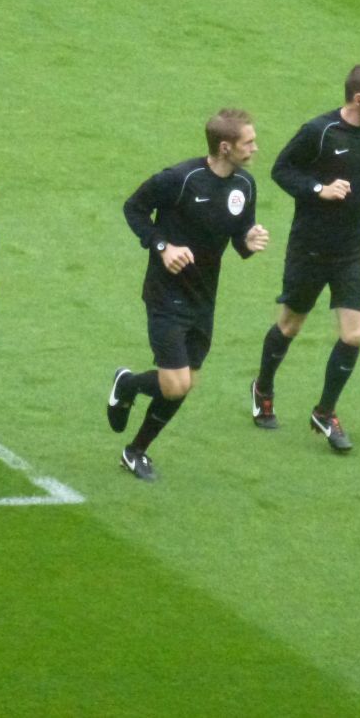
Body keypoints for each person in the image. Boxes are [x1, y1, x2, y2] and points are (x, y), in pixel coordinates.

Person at [107, 109, 269, 481]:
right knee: (175, 383)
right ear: (225, 147)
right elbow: (134, 209)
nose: (256, 148)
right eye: (249, 142)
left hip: (204, 296)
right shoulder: (180, 179)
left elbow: (238, 235)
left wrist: (249, 241)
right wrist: (163, 246)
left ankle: (135, 445)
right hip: (166, 293)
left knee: (185, 384)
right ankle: (128, 392)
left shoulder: (245, 186)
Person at [250, 64, 360, 453]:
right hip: (310, 248)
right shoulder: (320, 131)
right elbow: (282, 170)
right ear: (359, 99)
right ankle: (262, 387)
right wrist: (319, 189)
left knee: (354, 334)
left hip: (353, 250)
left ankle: (325, 412)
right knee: (291, 324)